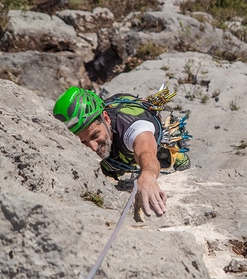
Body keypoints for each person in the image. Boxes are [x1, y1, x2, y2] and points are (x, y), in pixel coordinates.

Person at [53, 85, 191, 218]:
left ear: (106, 119)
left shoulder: (132, 128)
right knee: (109, 165)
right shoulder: (95, 133)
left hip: (134, 123)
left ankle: (172, 152)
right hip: (113, 137)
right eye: (83, 142)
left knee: (158, 154)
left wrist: (148, 174)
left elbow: (146, 151)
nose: (93, 147)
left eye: (95, 135)